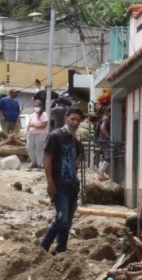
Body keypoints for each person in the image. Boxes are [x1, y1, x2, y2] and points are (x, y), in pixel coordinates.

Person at [40, 107, 85, 254]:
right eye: (73, 119)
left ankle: (61, 250)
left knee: (67, 223)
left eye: (78, 120)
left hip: (72, 185)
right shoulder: (55, 136)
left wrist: (76, 167)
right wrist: (50, 183)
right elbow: (47, 159)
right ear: (66, 118)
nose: (75, 122)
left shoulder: (75, 140)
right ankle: (43, 248)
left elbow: (78, 159)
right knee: (62, 220)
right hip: (59, 186)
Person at [26, 100, 49, 169]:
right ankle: (34, 162)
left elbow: (44, 125)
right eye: (35, 106)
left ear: (41, 107)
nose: (36, 108)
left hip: (41, 134)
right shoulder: (32, 114)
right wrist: (27, 130)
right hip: (31, 133)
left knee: (39, 149)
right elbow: (29, 124)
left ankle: (40, 164)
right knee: (29, 147)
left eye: (38, 106)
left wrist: (34, 126)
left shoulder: (44, 114)